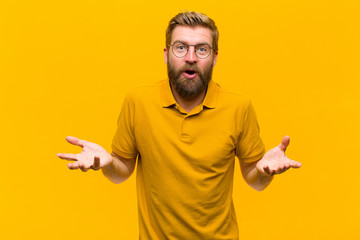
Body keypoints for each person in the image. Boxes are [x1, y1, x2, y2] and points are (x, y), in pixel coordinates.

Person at [57, 11, 301, 240]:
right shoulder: (138, 101)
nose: (191, 57)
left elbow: (254, 180)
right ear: (166, 53)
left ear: (215, 57)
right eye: (181, 47)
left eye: (202, 49)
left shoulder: (239, 107)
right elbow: (121, 173)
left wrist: (264, 171)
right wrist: (108, 163)